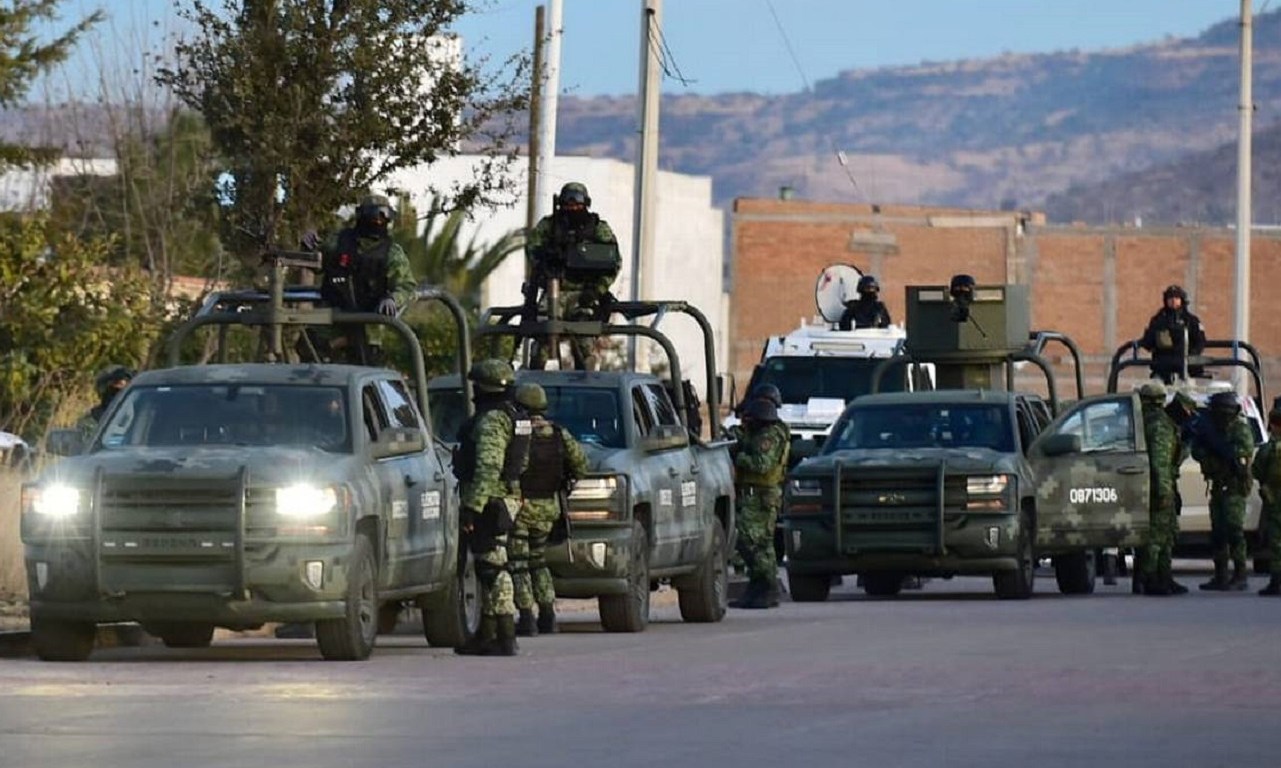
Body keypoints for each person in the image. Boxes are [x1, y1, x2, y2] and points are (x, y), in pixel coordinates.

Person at [452, 359, 528, 656]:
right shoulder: (514, 417)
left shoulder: (492, 421)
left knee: (493, 569)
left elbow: (488, 466)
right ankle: (487, 633)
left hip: (490, 500)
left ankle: (505, 634)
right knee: (491, 564)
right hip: (504, 498)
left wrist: (472, 507)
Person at [509, 382, 588, 636]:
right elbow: (581, 465)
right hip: (549, 506)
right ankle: (547, 614)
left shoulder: (516, 433)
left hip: (521, 507)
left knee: (519, 563)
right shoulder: (558, 433)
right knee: (539, 561)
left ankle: (526, 616)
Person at [307, 194, 417, 363]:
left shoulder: (392, 253)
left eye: (384, 216)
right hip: (329, 323)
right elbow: (316, 263)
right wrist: (308, 247)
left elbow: (406, 286)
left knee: (365, 371)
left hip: (367, 327)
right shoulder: (338, 241)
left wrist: (393, 299)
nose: (378, 221)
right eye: (373, 215)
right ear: (362, 215)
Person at [524, 182, 620, 369]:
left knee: (584, 344)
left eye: (577, 203)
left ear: (585, 204)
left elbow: (613, 262)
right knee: (543, 339)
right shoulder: (549, 226)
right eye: (568, 203)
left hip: (584, 294)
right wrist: (547, 260)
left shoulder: (598, 229)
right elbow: (532, 249)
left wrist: (597, 290)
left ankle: (586, 386)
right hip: (555, 290)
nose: (572, 208)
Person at [729, 397, 790, 609]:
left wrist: (739, 457)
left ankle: (766, 584)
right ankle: (760, 586)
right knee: (761, 543)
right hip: (757, 494)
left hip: (762, 496)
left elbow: (761, 464)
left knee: (749, 540)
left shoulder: (770, 436)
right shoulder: (759, 434)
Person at [1192, 391, 1254, 591]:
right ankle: (1221, 575)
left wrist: (1218, 451)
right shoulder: (1210, 429)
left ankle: (1240, 574)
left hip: (1235, 487)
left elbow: (1241, 455)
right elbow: (1197, 451)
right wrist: (1208, 449)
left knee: (1234, 530)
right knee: (1218, 532)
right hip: (1219, 486)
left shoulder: (1240, 430)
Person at [1137, 382, 1184, 595]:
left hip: (1150, 485)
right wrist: (1164, 491)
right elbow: (1160, 461)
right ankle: (1149, 578)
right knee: (1158, 535)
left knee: (1167, 533)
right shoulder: (1159, 424)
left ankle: (1164, 577)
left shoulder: (1142, 421)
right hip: (1159, 486)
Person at [1139, 284, 1206, 383]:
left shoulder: (1191, 320)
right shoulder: (1159, 320)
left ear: (1182, 299)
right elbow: (1148, 342)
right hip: (1162, 368)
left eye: (1176, 297)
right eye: (1170, 297)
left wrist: (1191, 356)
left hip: (1187, 369)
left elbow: (1200, 341)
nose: (1173, 300)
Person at [1252, 404, 1281, 596]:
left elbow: (1256, 471)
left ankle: (1276, 582)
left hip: (1275, 500)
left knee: (1277, 542)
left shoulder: (1270, 448)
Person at [77, 365, 133, 439]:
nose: (119, 391)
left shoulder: (140, 417)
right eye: (116, 384)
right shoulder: (90, 420)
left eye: (124, 386)